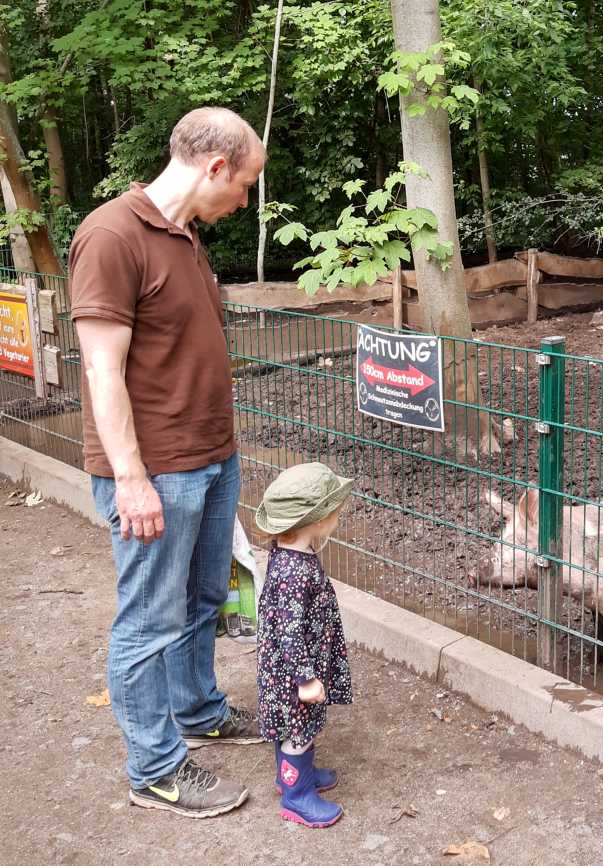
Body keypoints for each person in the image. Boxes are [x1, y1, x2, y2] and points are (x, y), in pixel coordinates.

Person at [69, 107, 267, 818]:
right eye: (244, 185)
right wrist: (130, 478)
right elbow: (102, 370)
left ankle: (197, 709)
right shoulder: (112, 234)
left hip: (212, 457)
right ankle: (154, 768)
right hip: (157, 472)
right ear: (214, 168)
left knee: (202, 602)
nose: (243, 201)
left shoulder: (183, 235)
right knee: (148, 621)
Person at [255, 462, 355, 828]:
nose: (338, 516)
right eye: (335, 511)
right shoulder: (295, 572)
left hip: (289, 666)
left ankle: (295, 774)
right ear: (315, 521)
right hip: (294, 671)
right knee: (297, 727)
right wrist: (306, 678)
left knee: (298, 723)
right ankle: (296, 797)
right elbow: (290, 631)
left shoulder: (287, 551)